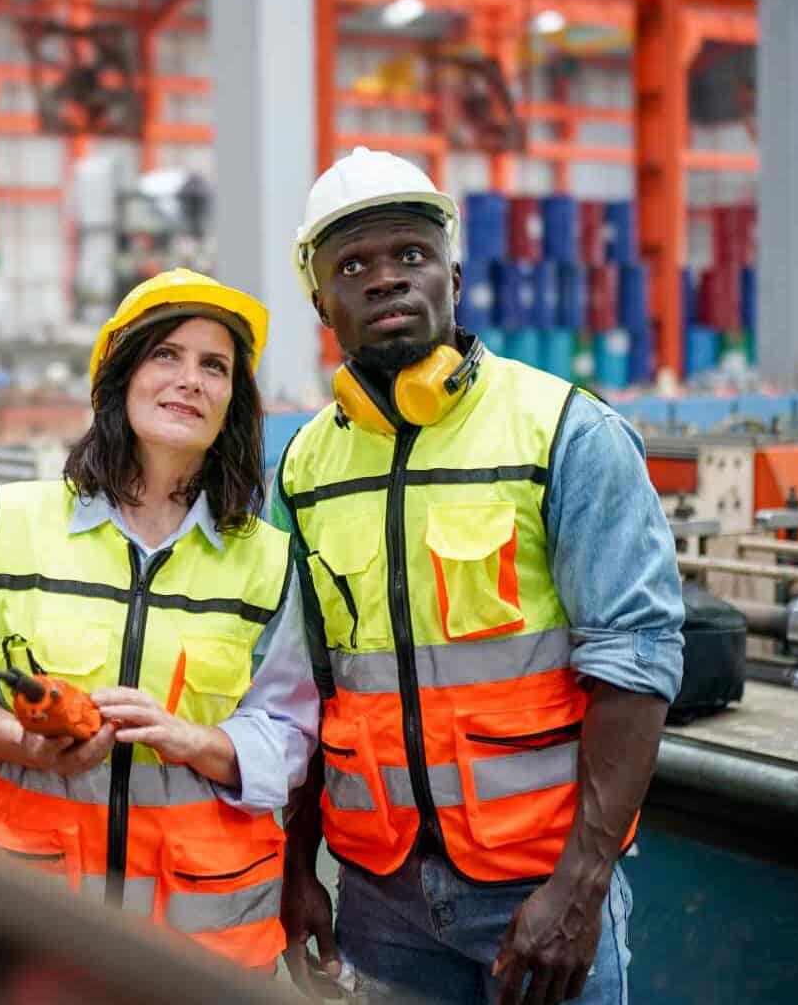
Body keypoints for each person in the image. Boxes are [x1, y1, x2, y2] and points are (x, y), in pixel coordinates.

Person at [271, 148, 685, 1005]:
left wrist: (581, 885)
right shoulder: (307, 466)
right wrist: (296, 863)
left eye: (410, 256)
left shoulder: (565, 433)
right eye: (353, 266)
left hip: (537, 887)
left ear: (453, 276)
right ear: (321, 303)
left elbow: (636, 666)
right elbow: (305, 686)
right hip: (379, 895)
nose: (386, 280)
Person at [0, 269, 319, 970]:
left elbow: (289, 735)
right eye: (165, 354)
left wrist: (193, 740)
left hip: (200, 937)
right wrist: (23, 742)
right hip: (38, 919)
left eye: (214, 366)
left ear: (233, 400)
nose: (189, 379)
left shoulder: (269, 560)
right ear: (119, 379)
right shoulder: (6, 522)